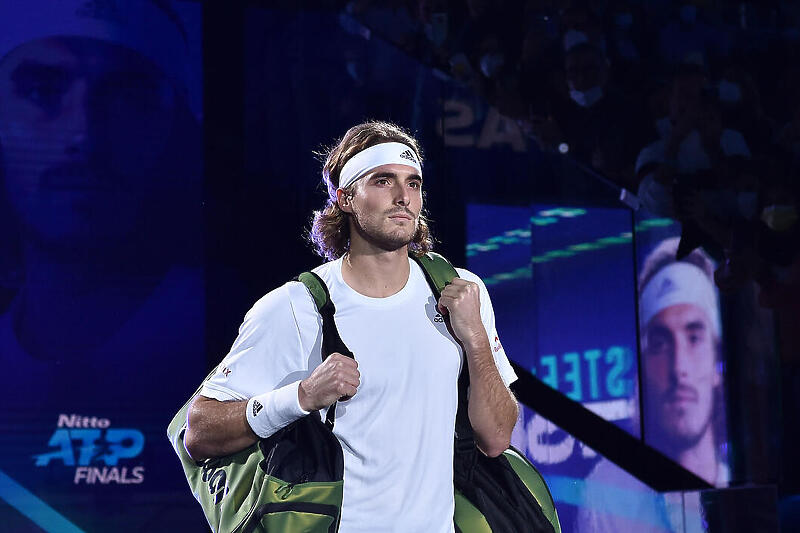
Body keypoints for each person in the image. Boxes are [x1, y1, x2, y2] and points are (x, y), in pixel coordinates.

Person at [184, 120, 519, 532]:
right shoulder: (296, 307)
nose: (403, 198)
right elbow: (199, 431)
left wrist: (476, 340)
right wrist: (302, 396)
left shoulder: (462, 291)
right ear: (344, 198)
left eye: (413, 183)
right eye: (383, 181)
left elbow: (496, 437)